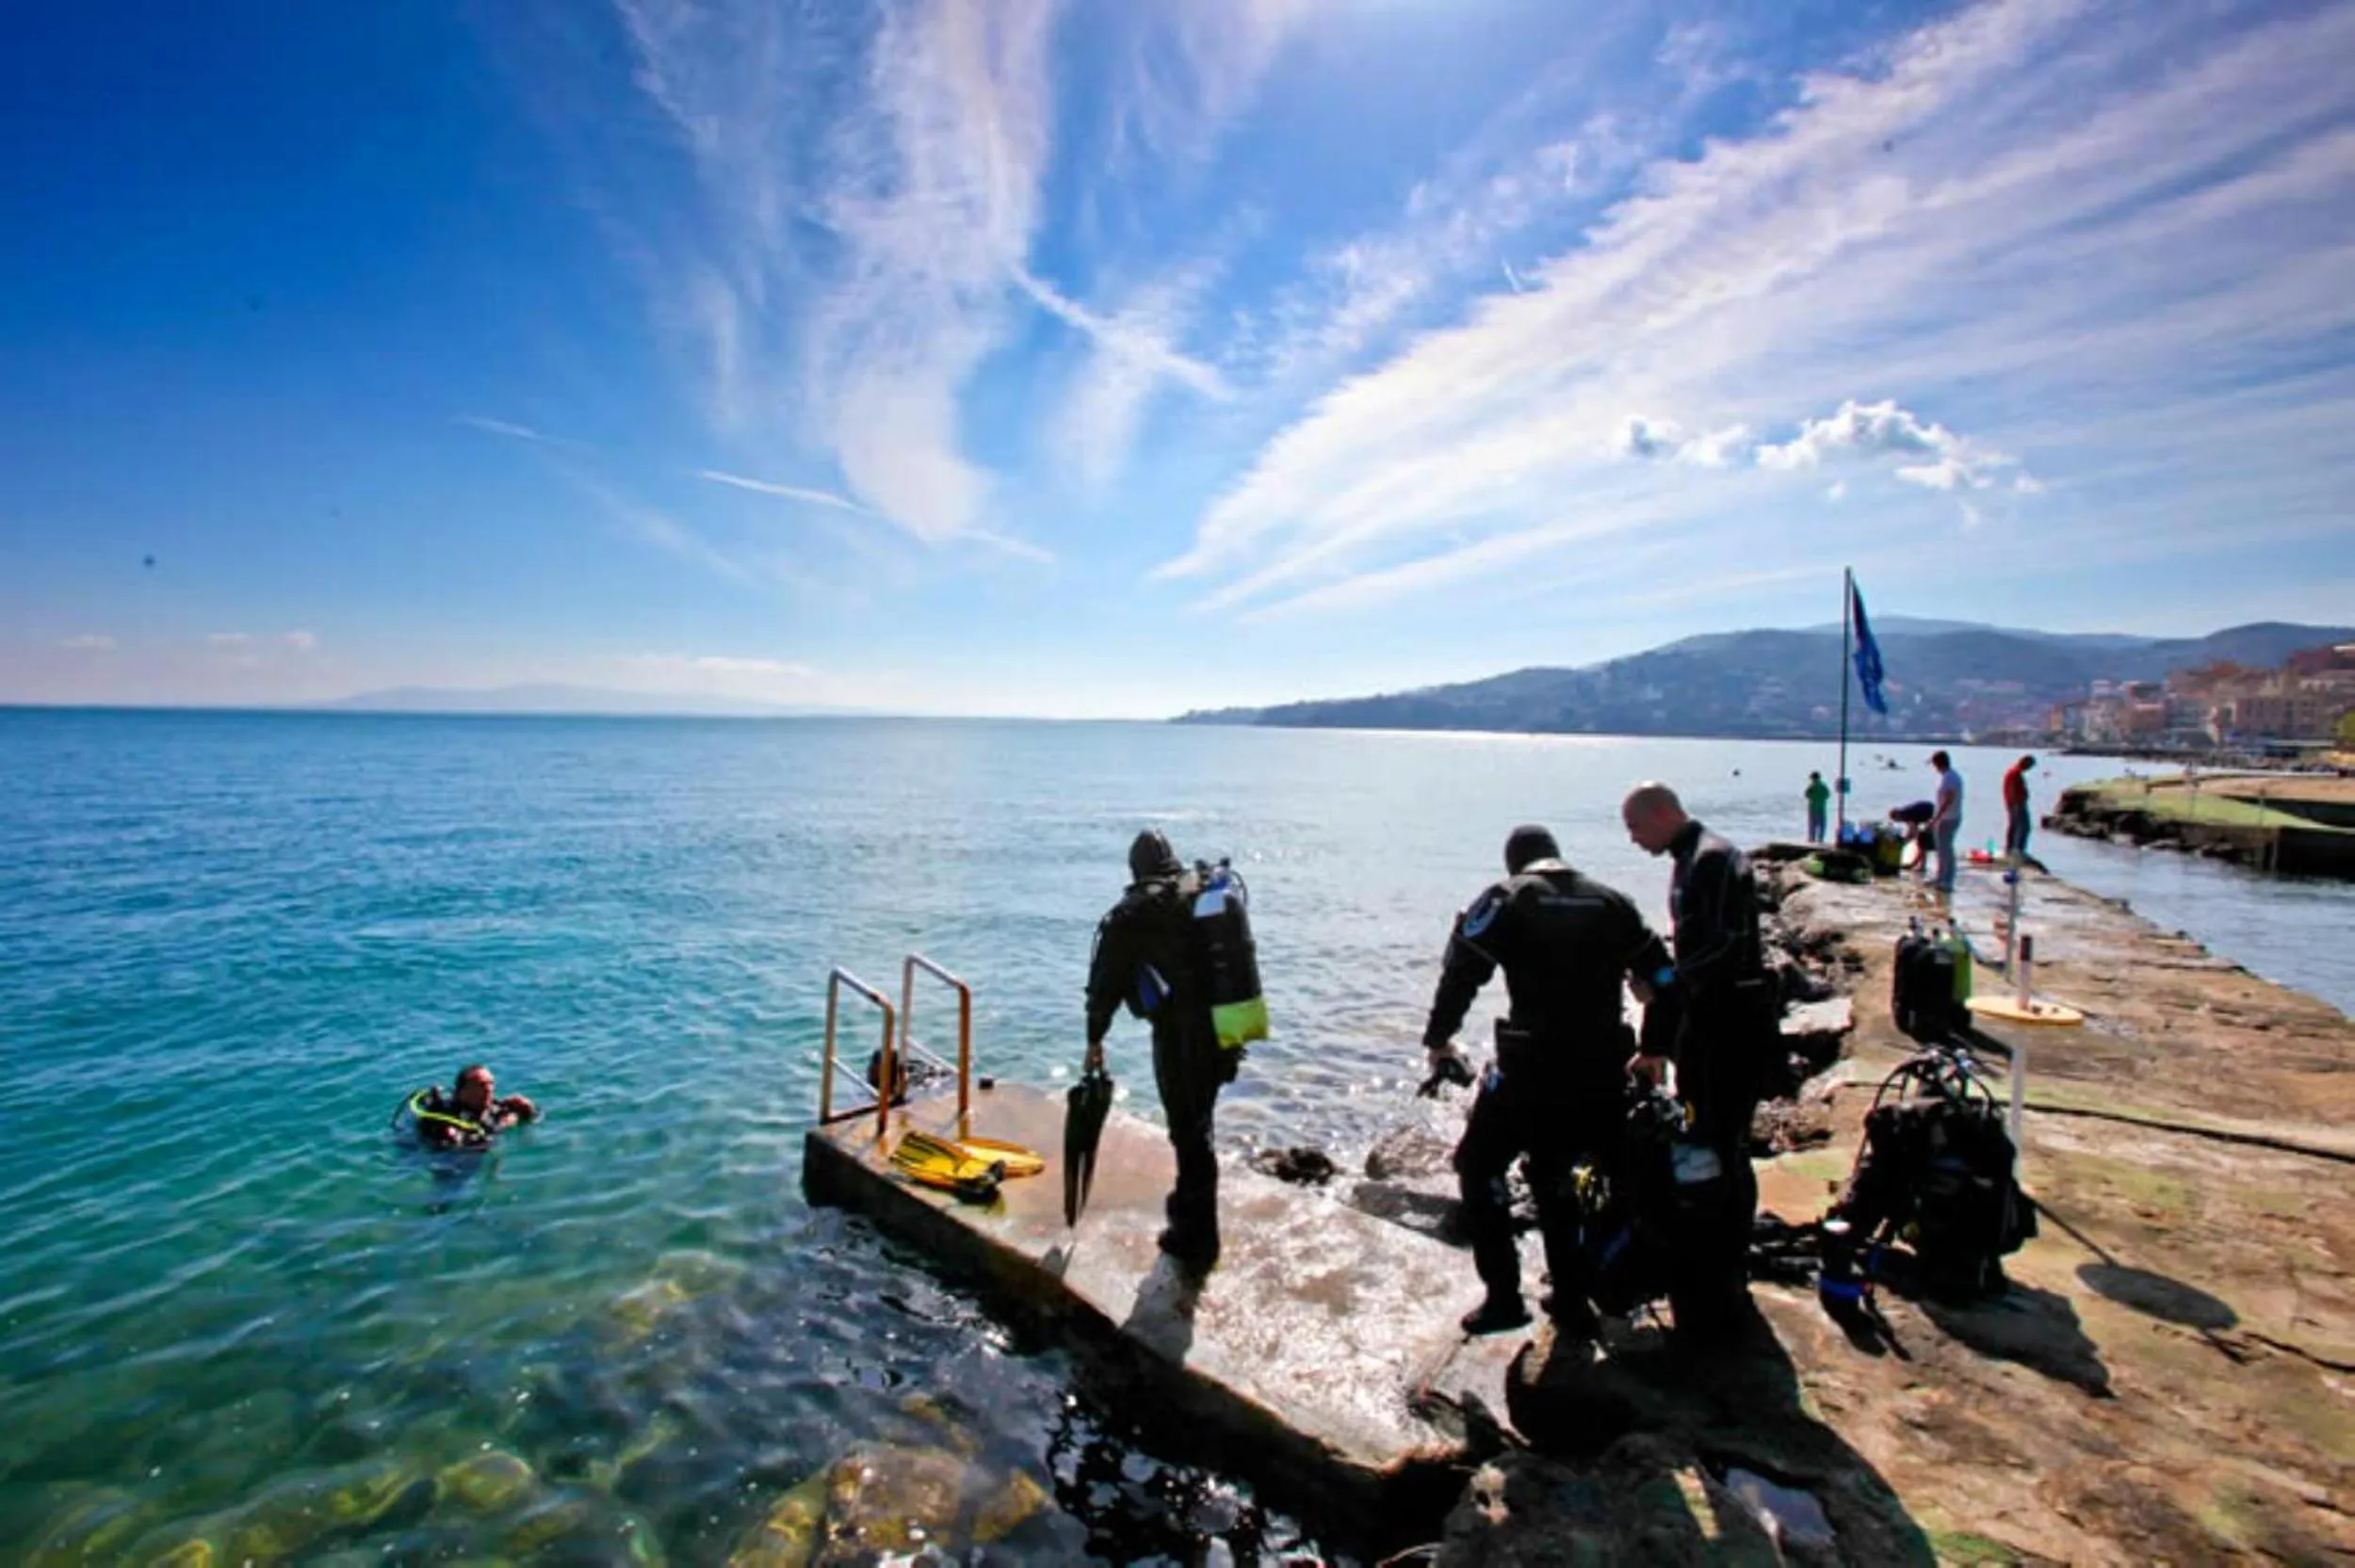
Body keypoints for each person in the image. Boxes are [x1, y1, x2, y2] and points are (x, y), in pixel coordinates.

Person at [1421, 825, 1676, 1336]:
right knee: (1556, 1176)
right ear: (1557, 857)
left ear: (1515, 863)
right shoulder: (1612, 902)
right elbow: (1667, 977)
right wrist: (1655, 1048)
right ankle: (1572, 1297)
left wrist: (1440, 1039)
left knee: (1479, 1164)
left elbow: (1461, 974)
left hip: (1531, 1068)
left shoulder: (1505, 898)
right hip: (1602, 1068)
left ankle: (1504, 1298)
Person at [1621, 784, 1778, 1334]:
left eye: (1637, 828)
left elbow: (1710, 953)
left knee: (1715, 1138)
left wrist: (1660, 1000)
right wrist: (1661, 1033)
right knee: (1719, 1138)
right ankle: (1724, 1259)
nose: (1634, 841)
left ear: (1663, 814)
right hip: (1722, 1022)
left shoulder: (1708, 862)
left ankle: (1719, 1263)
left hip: (1726, 1029)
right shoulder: (1702, 855)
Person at [1085, 829, 1236, 1272]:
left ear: (1135, 868)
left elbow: (1105, 984)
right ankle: (1190, 1219)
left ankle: (1196, 1238)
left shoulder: (1135, 913)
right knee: (1199, 1125)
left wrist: (1095, 1039)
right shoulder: (1200, 894)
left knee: (1189, 1134)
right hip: (1225, 1028)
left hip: (1180, 1035)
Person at [413, 1064, 538, 1150]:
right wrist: (503, 1125)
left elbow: (534, 1120)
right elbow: (470, 1147)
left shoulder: (494, 1108)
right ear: (461, 1091)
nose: (489, 1090)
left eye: (491, 1083)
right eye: (481, 1085)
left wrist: (528, 1110)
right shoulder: (445, 1115)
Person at [1929, 751, 1965, 894]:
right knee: (1942, 850)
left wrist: (1936, 818)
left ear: (1939, 763)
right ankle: (1940, 877)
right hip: (1948, 817)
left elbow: (1948, 800)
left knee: (1946, 850)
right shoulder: (1948, 776)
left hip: (1948, 818)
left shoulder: (1950, 778)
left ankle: (1947, 880)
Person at [2003, 754, 2037, 859]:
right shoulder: (2015, 773)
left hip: (2013, 803)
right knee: (2024, 827)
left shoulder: (2013, 772)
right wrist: (2017, 803)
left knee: (2014, 826)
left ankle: (2011, 848)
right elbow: (2013, 790)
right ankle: (2018, 850)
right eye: (2029, 766)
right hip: (2017, 804)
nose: (2029, 769)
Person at [1803, 771, 1831, 843]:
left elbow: (1806, 795)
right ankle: (1820, 839)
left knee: (1812, 825)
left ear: (1813, 778)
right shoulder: (1823, 786)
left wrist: (1813, 797)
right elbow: (1827, 795)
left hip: (1813, 808)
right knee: (1822, 825)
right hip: (1821, 808)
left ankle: (1812, 840)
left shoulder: (1811, 786)